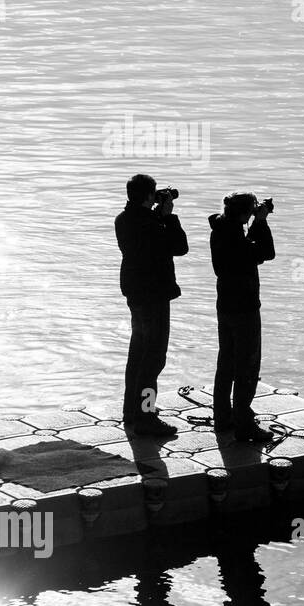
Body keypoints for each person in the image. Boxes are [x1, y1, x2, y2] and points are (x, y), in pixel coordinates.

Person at [115, 174, 188, 436]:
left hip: (136, 295)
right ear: (148, 196)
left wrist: (157, 215)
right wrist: (168, 215)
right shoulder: (151, 224)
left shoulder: (123, 219)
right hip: (154, 297)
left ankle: (131, 410)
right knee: (154, 359)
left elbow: (150, 242)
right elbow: (179, 246)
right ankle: (146, 416)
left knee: (137, 353)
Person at [209, 192, 276, 442]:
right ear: (245, 214)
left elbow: (249, 250)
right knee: (247, 366)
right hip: (244, 307)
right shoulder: (236, 237)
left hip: (225, 304)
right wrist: (261, 222)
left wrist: (255, 222)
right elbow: (266, 252)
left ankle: (223, 417)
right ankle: (244, 424)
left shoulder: (221, 230)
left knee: (226, 363)